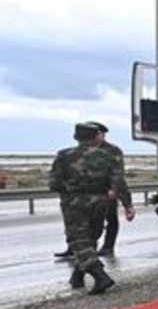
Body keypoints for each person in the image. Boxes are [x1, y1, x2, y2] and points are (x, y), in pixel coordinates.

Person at [48, 122, 136, 294]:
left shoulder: (65, 155)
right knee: (91, 238)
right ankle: (78, 276)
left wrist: (69, 190)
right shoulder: (108, 156)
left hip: (75, 203)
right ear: (96, 136)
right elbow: (118, 182)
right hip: (101, 202)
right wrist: (128, 204)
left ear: (77, 137)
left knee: (78, 241)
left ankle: (100, 276)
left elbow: (53, 183)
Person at [53, 121, 129, 259]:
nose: (100, 136)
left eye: (101, 134)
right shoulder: (74, 152)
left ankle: (107, 247)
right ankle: (76, 250)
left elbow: (118, 176)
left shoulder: (112, 151)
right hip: (80, 197)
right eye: (98, 133)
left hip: (105, 193)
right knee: (76, 224)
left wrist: (119, 195)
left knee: (109, 220)